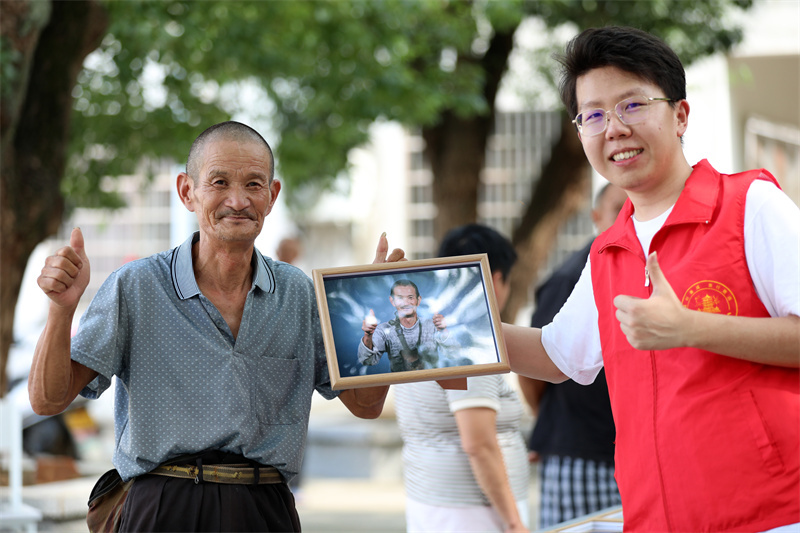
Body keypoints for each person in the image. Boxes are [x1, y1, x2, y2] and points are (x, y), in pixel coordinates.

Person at [28, 121, 404, 532]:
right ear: (187, 192)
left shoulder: (300, 294)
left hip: (265, 511)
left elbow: (366, 405)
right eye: (219, 182)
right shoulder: (136, 286)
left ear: (272, 195)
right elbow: (48, 401)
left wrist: (375, 313)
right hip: (161, 508)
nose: (238, 200)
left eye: (254, 185)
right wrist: (61, 310)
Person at [504, 26, 800, 533]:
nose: (613, 127)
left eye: (632, 105)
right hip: (655, 518)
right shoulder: (607, 250)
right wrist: (444, 325)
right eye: (592, 115)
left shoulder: (750, 206)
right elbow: (557, 356)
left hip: (768, 514)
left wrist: (692, 329)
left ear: (680, 115)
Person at [394, 224, 529, 533]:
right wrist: (514, 523)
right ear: (495, 279)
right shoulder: (465, 334)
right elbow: (478, 443)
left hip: (431, 503)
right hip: (474, 513)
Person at [518, 183, 626, 528]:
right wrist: (547, 420)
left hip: (630, 452)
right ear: (596, 218)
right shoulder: (570, 279)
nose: (627, 217)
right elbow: (538, 361)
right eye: (617, 209)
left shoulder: (646, 270)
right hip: (581, 452)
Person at [358, 279, 457, 372]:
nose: (406, 303)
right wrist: (368, 336)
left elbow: (454, 353)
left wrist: (443, 331)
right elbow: (367, 361)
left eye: (410, 297)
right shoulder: (384, 330)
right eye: (400, 298)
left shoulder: (432, 326)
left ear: (418, 300)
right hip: (400, 386)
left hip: (433, 382)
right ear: (392, 301)